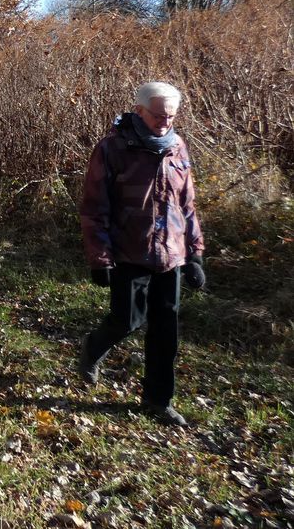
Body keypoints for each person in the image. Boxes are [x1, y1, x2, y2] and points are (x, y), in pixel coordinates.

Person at [77, 81, 205, 427]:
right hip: (129, 251)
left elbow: (187, 205)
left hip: (171, 255)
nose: (165, 122)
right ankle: (92, 348)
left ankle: (157, 399)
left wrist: (195, 253)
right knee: (127, 320)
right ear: (139, 111)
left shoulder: (178, 147)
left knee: (166, 330)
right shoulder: (112, 149)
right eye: (159, 116)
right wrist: (99, 257)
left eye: (171, 116)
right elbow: (94, 207)